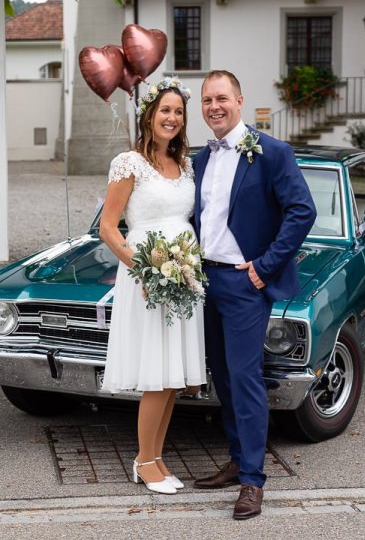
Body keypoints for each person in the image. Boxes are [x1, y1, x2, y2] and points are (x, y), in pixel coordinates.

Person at [192, 70, 316, 519]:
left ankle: (252, 481)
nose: (214, 107)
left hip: (244, 283)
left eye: (222, 98)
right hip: (204, 282)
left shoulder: (272, 152)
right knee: (223, 378)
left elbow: (302, 211)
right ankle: (236, 459)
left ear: (240, 101)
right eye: (207, 100)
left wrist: (264, 268)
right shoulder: (200, 159)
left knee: (245, 379)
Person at [100, 77, 206, 495]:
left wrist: (184, 266)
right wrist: (145, 269)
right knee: (157, 375)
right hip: (148, 277)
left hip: (183, 275)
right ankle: (144, 462)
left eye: (178, 111)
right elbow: (109, 228)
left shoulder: (186, 165)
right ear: (149, 115)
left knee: (173, 375)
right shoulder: (129, 163)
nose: (172, 117)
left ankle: (156, 457)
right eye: (165, 110)